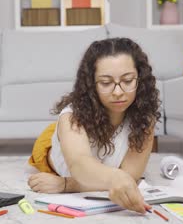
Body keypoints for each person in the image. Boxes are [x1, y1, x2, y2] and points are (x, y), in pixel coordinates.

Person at [27, 37, 161, 214]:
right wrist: (117, 176)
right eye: (106, 83)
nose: (118, 92)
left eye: (128, 81)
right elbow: (80, 164)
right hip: (59, 142)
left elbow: (131, 176)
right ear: (91, 84)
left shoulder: (145, 119)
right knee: (65, 133)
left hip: (79, 153)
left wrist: (66, 184)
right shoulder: (72, 117)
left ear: (140, 79)